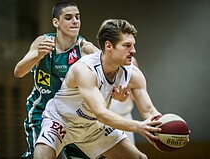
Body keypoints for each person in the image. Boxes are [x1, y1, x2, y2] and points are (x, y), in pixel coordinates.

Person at [33, 19, 162, 159]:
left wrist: (170, 130)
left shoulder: (133, 75)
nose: (133, 50)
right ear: (108, 46)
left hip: (92, 126)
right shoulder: (84, 69)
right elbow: (101, 113)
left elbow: (149, 111)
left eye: (133, 45)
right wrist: (138, 127)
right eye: (127, 45)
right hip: (61, 121)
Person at [14, 1, 99, 159]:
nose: (75, 21)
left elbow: (109, 68)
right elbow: (18, 72)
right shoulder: (43, 42)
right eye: (68, 17)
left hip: (72, 116)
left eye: (77, 17)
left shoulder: (86, 49)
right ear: (56, 22)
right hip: (42, 111)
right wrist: (37, 56)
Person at [110, 57, 139, 144]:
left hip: (124, 117)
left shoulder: (131, 61)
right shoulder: (100, 61)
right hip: (104, 119)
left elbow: (136, 94)